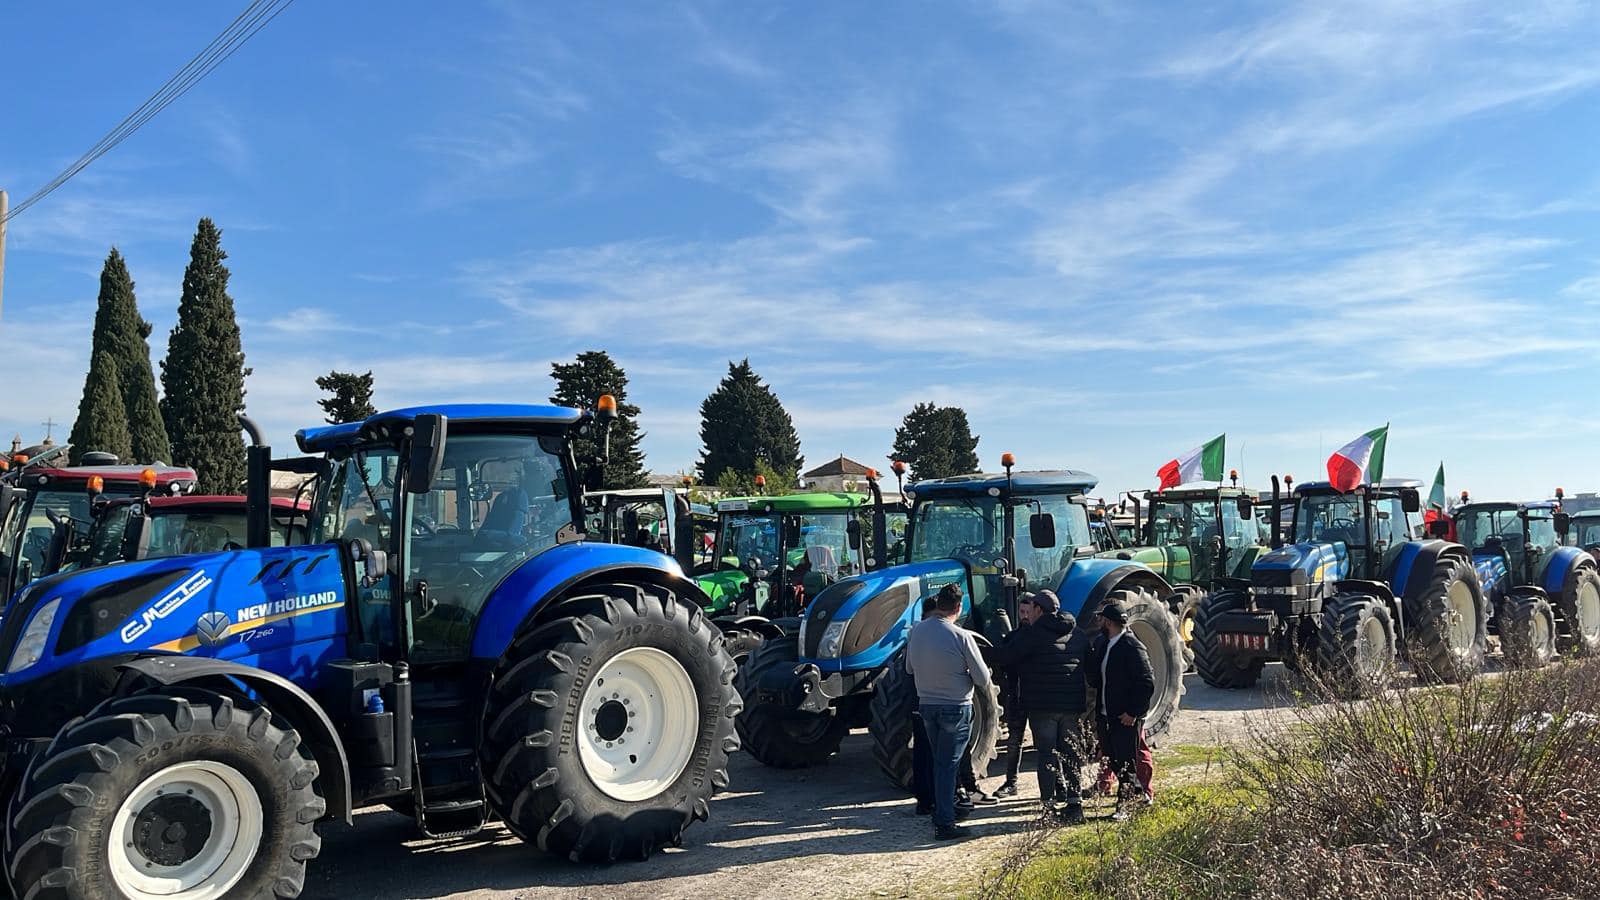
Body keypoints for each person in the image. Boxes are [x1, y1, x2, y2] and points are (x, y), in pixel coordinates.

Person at [989, 590, 1091, 824]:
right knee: (1071, 754)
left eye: (1032, 608)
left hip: (1042, 706)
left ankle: (1049, 808)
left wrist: (978, 649)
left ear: (1038, 610)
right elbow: (1090, 666)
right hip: (1071, 705)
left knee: (1046, 756)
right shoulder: (1077, 634)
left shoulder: (1032, 635)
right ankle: (1075, 806)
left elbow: (1006, 657)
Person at [905, 583, 994, 840]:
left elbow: (910, 669)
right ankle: (945, 822)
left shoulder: (916, 633)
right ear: (959, 606)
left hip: (927, 707)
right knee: (948, 765)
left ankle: (940, 809)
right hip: (955, 707)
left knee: (938, 762)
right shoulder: (961, 636)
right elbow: (982, 678)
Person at [1086, 600, 1156, 819]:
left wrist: (1134, 712)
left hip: (1125, 717)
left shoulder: (1131, 646)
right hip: (1106, 713)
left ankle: (1125, 806)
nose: (1098, 622)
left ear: (1108, 622)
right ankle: (1137, 793)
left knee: (1126, 762)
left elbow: (1146, 682)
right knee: (1111, 757)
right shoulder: (1105, 644)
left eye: (1101, 619)